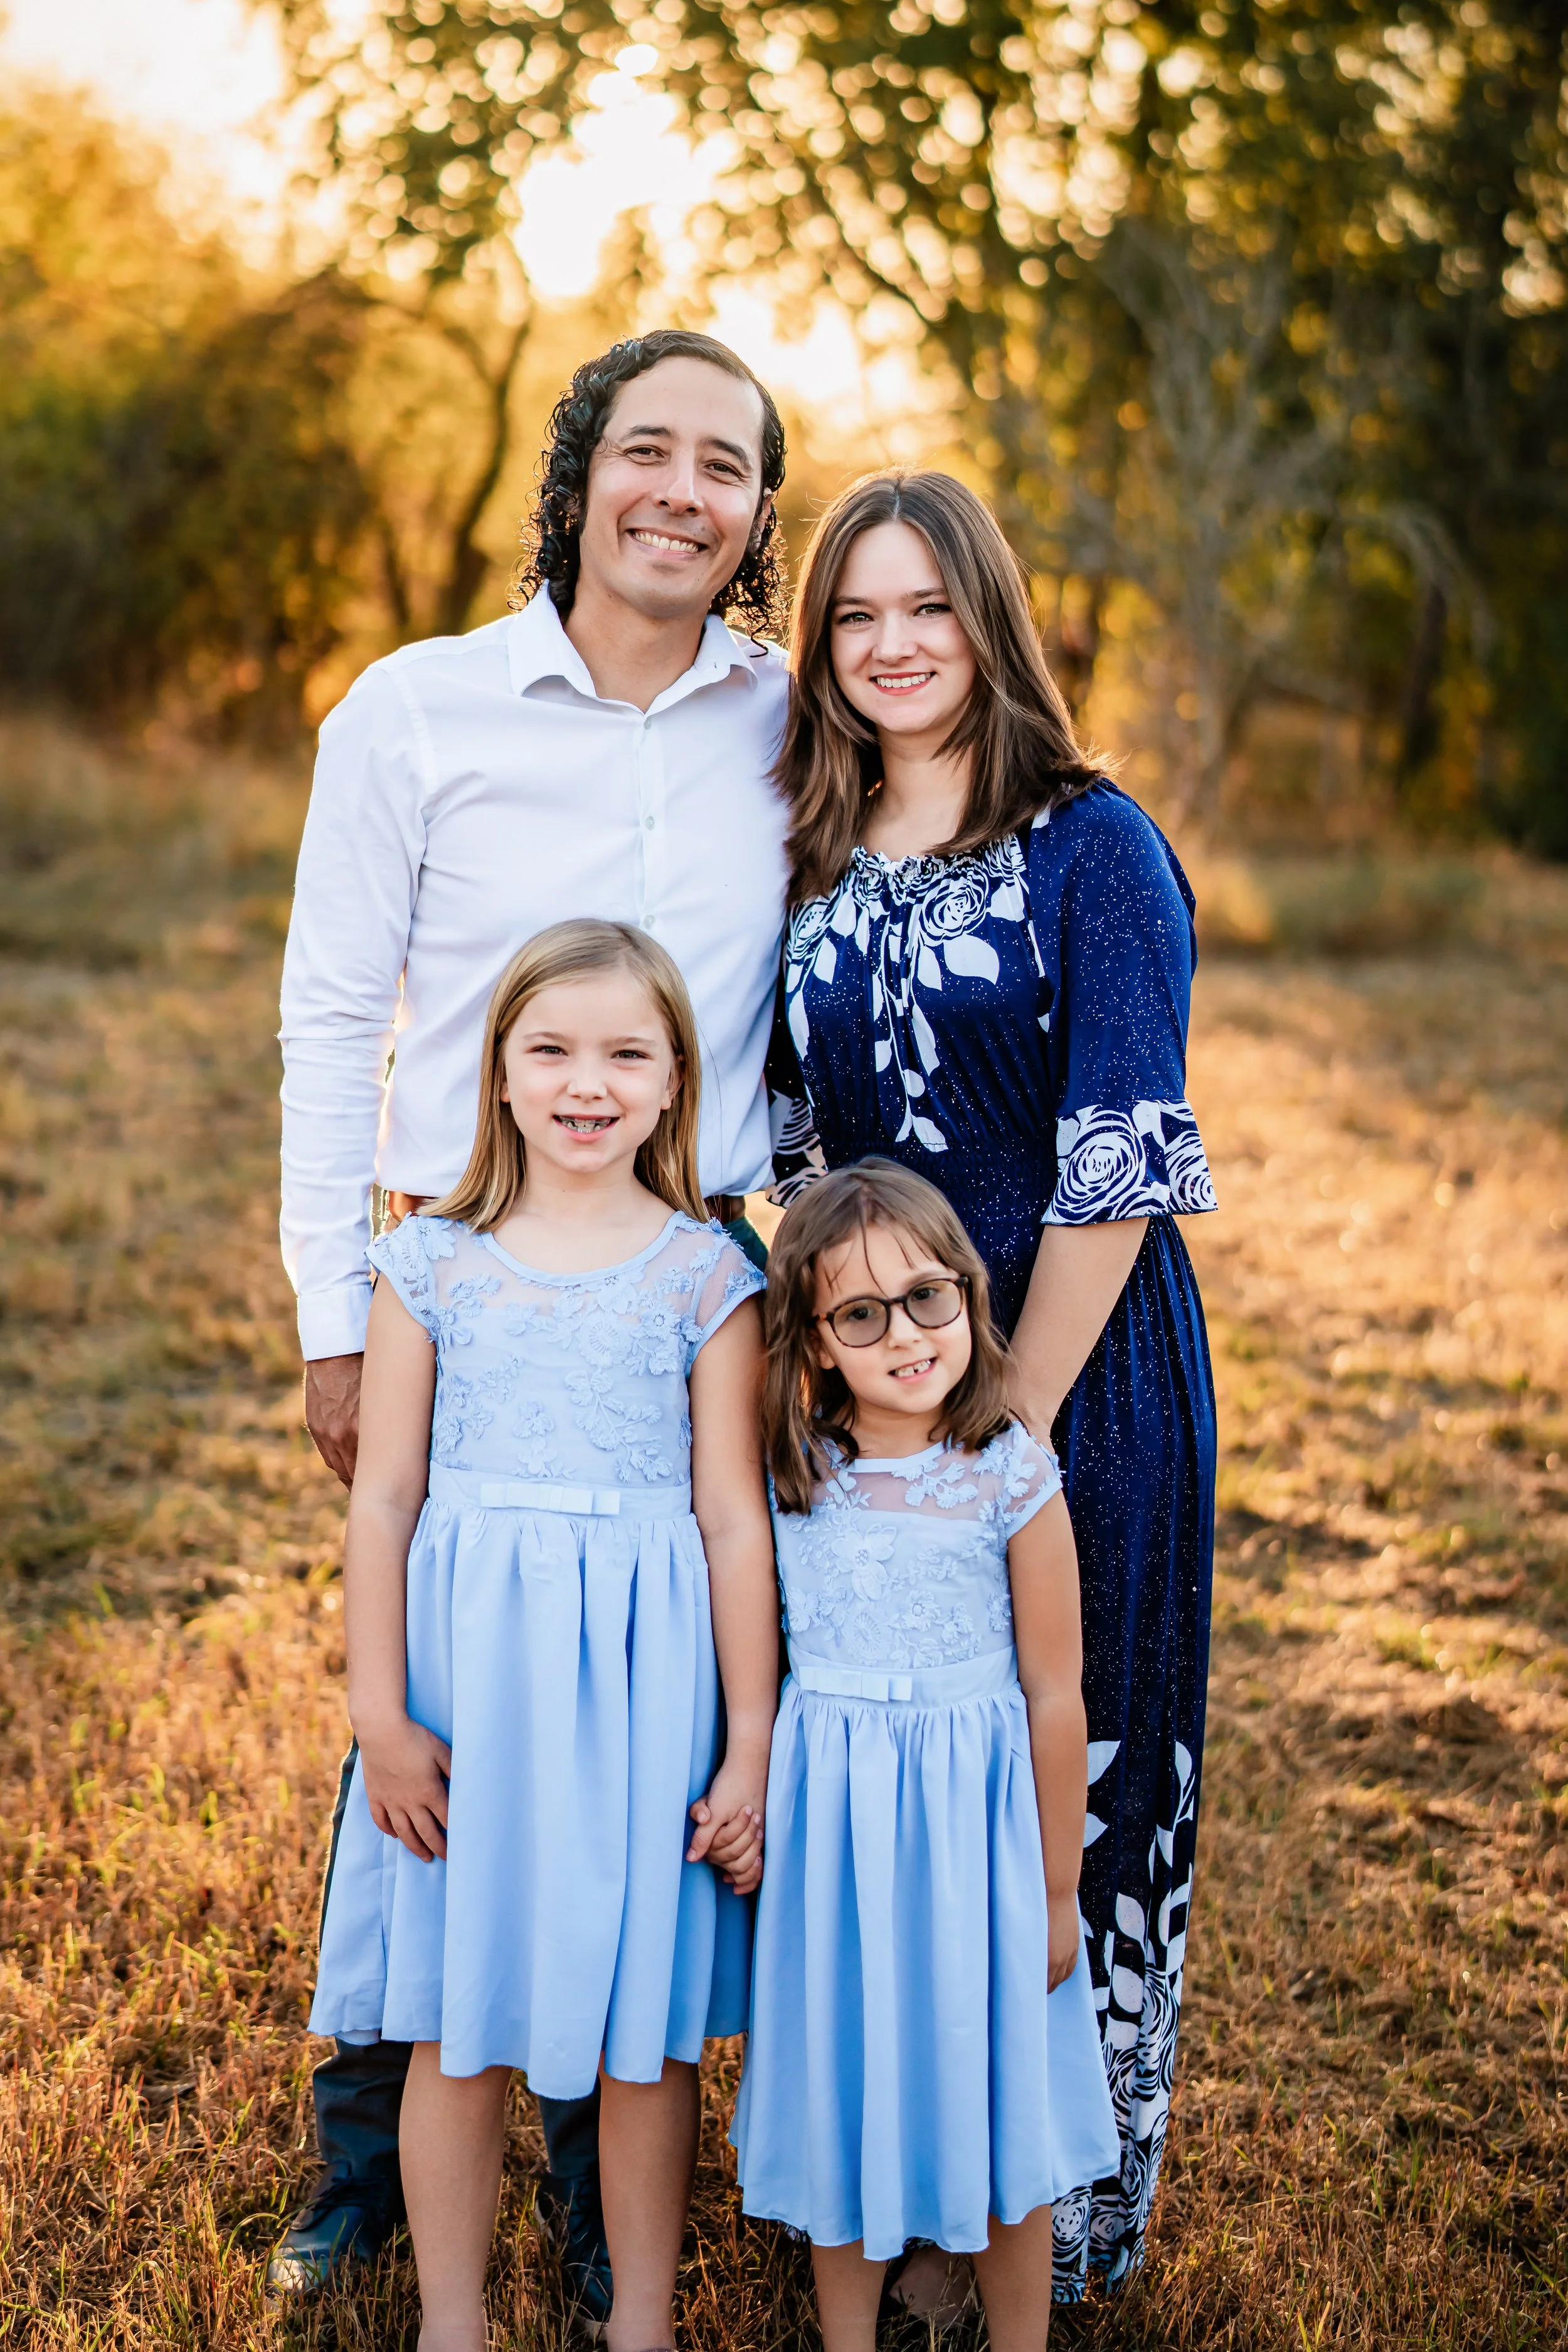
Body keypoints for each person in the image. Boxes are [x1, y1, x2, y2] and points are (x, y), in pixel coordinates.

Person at [273, 329, 792, 2306]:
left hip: (698, 1243)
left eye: (723, 464)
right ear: (575, 477)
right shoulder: (418, 709)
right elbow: (332, 1016)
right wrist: (337, 1299)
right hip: (463, 1238)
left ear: (755, 515)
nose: (679, 488)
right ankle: (364, 2155)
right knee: (440, 1702)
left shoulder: (787, 719)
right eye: (642, 449)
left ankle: (607, 2191)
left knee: (646, 1698)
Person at [767, 472, 1217, 2299]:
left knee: (1070, 1754)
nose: (891, 647)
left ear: (987, 617)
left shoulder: (1091, 843)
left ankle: (1052, 2208)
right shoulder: (807, 843)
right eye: (854, 616)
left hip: (1071, 1377)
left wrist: (1005, 1410)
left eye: (925, 609)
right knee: (903, 1757)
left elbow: (1120, 1151)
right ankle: (903, 2191)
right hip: (868, 1383)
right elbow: (796, 1145)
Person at [310, 918, 778, 2352]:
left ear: (675, 1081)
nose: (589, 1082)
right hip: (471, 1700)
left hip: (648, 1701)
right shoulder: (430, 1263)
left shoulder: (708, 1274)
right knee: (455, 2018)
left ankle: (637, 2322)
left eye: (626, 1052)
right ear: (495, 1073)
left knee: (643, 2030)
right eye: (552, 1049)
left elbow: (732, 1525)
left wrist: (748, 1740)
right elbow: (384, 1501)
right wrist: (380, 1716)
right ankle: (453, 2323)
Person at [732, 1159, 1118, 2350]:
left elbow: (1058, 1692)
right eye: (861, 1312)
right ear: (813, 1339)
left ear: (970, 1295)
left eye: (928, 1297)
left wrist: (1057, 1886)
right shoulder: (796, 1474)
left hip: (979, 1832)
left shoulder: (1008, 1466)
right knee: (847, 2087)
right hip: (841, 1842)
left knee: (1001, 2099)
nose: (905, 1333)